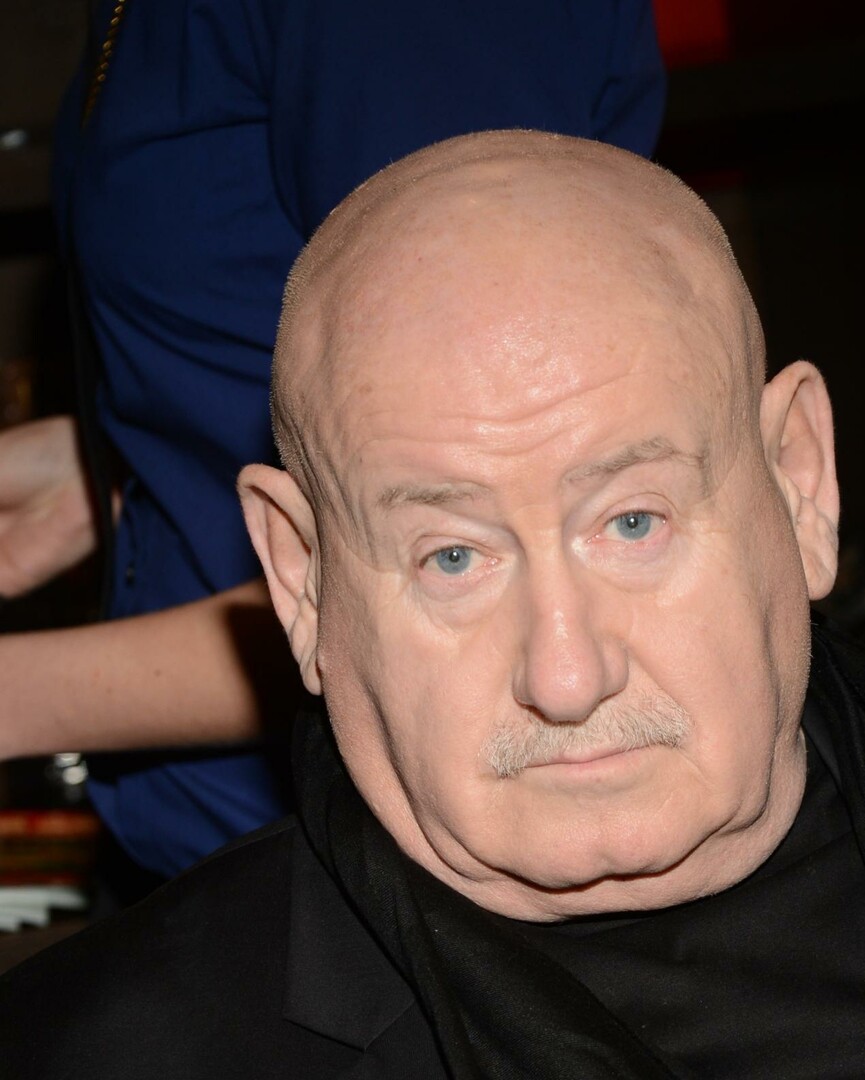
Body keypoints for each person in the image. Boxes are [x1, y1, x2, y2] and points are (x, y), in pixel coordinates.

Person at [3, 131, 865, 1079]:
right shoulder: (113, 1052)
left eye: (634, 524)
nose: (567, 674)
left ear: (801, 482)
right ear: (301, 579)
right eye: (454, 558)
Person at [0, 0, 664, 879]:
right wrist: (102, 471)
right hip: (228, 849)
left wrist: (16, 695)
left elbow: (475, 578)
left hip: (375, 877)